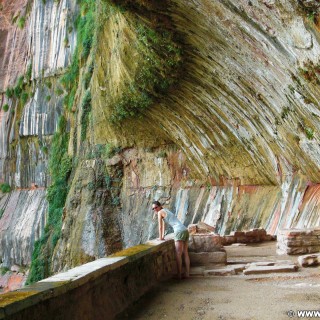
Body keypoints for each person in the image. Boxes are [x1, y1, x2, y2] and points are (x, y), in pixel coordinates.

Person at [152, 200, 190, 279]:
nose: (155, 209)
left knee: (178, 254)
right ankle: (187, 273)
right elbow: (164, 225)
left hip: (178, 231)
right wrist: (162, 237)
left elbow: (160, 226)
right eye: (153, 209)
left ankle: (179, 275)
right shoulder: (165, 210)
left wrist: (160, 238)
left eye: (156, 207)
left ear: (159, 206)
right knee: (185, 252)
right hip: (185, 230)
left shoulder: (160, 213)